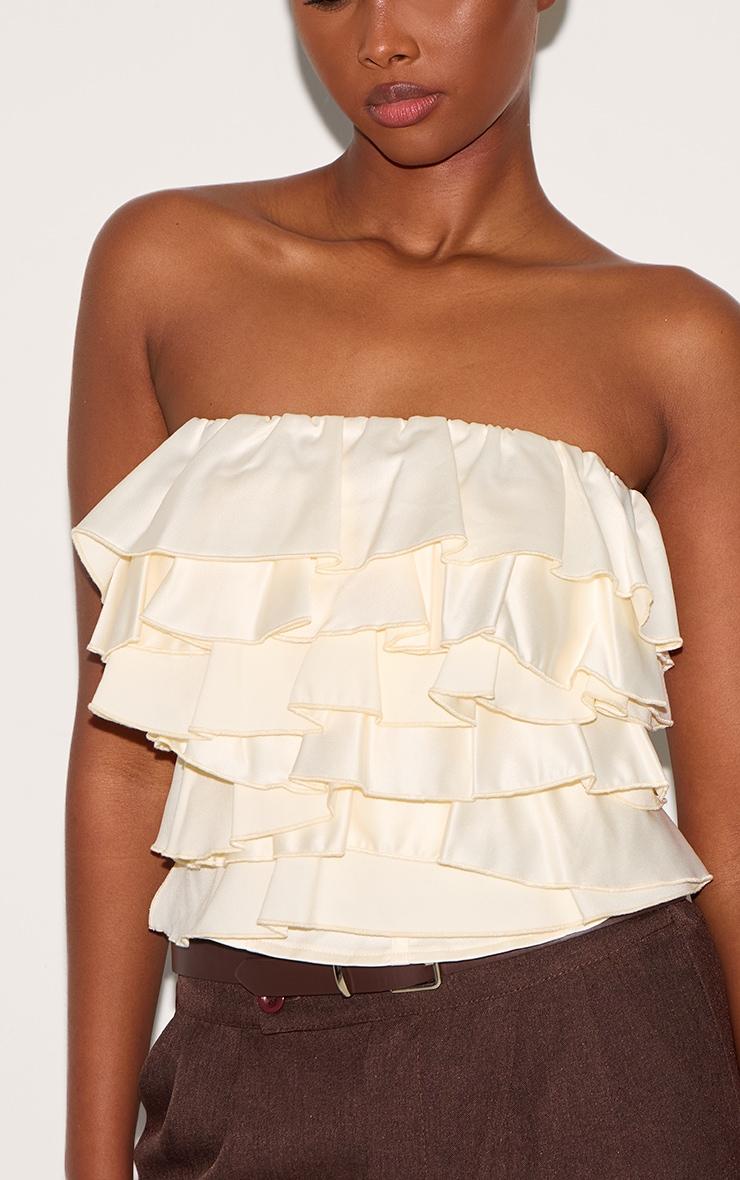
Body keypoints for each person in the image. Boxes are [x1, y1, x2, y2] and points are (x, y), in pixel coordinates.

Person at [65, 2, 740, 1177]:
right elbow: (123, 764)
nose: (379, 39)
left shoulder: (671, 336)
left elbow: (727, 814)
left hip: (591, 1065)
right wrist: (88, 1156)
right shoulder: (166, 267)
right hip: (248, 1066)